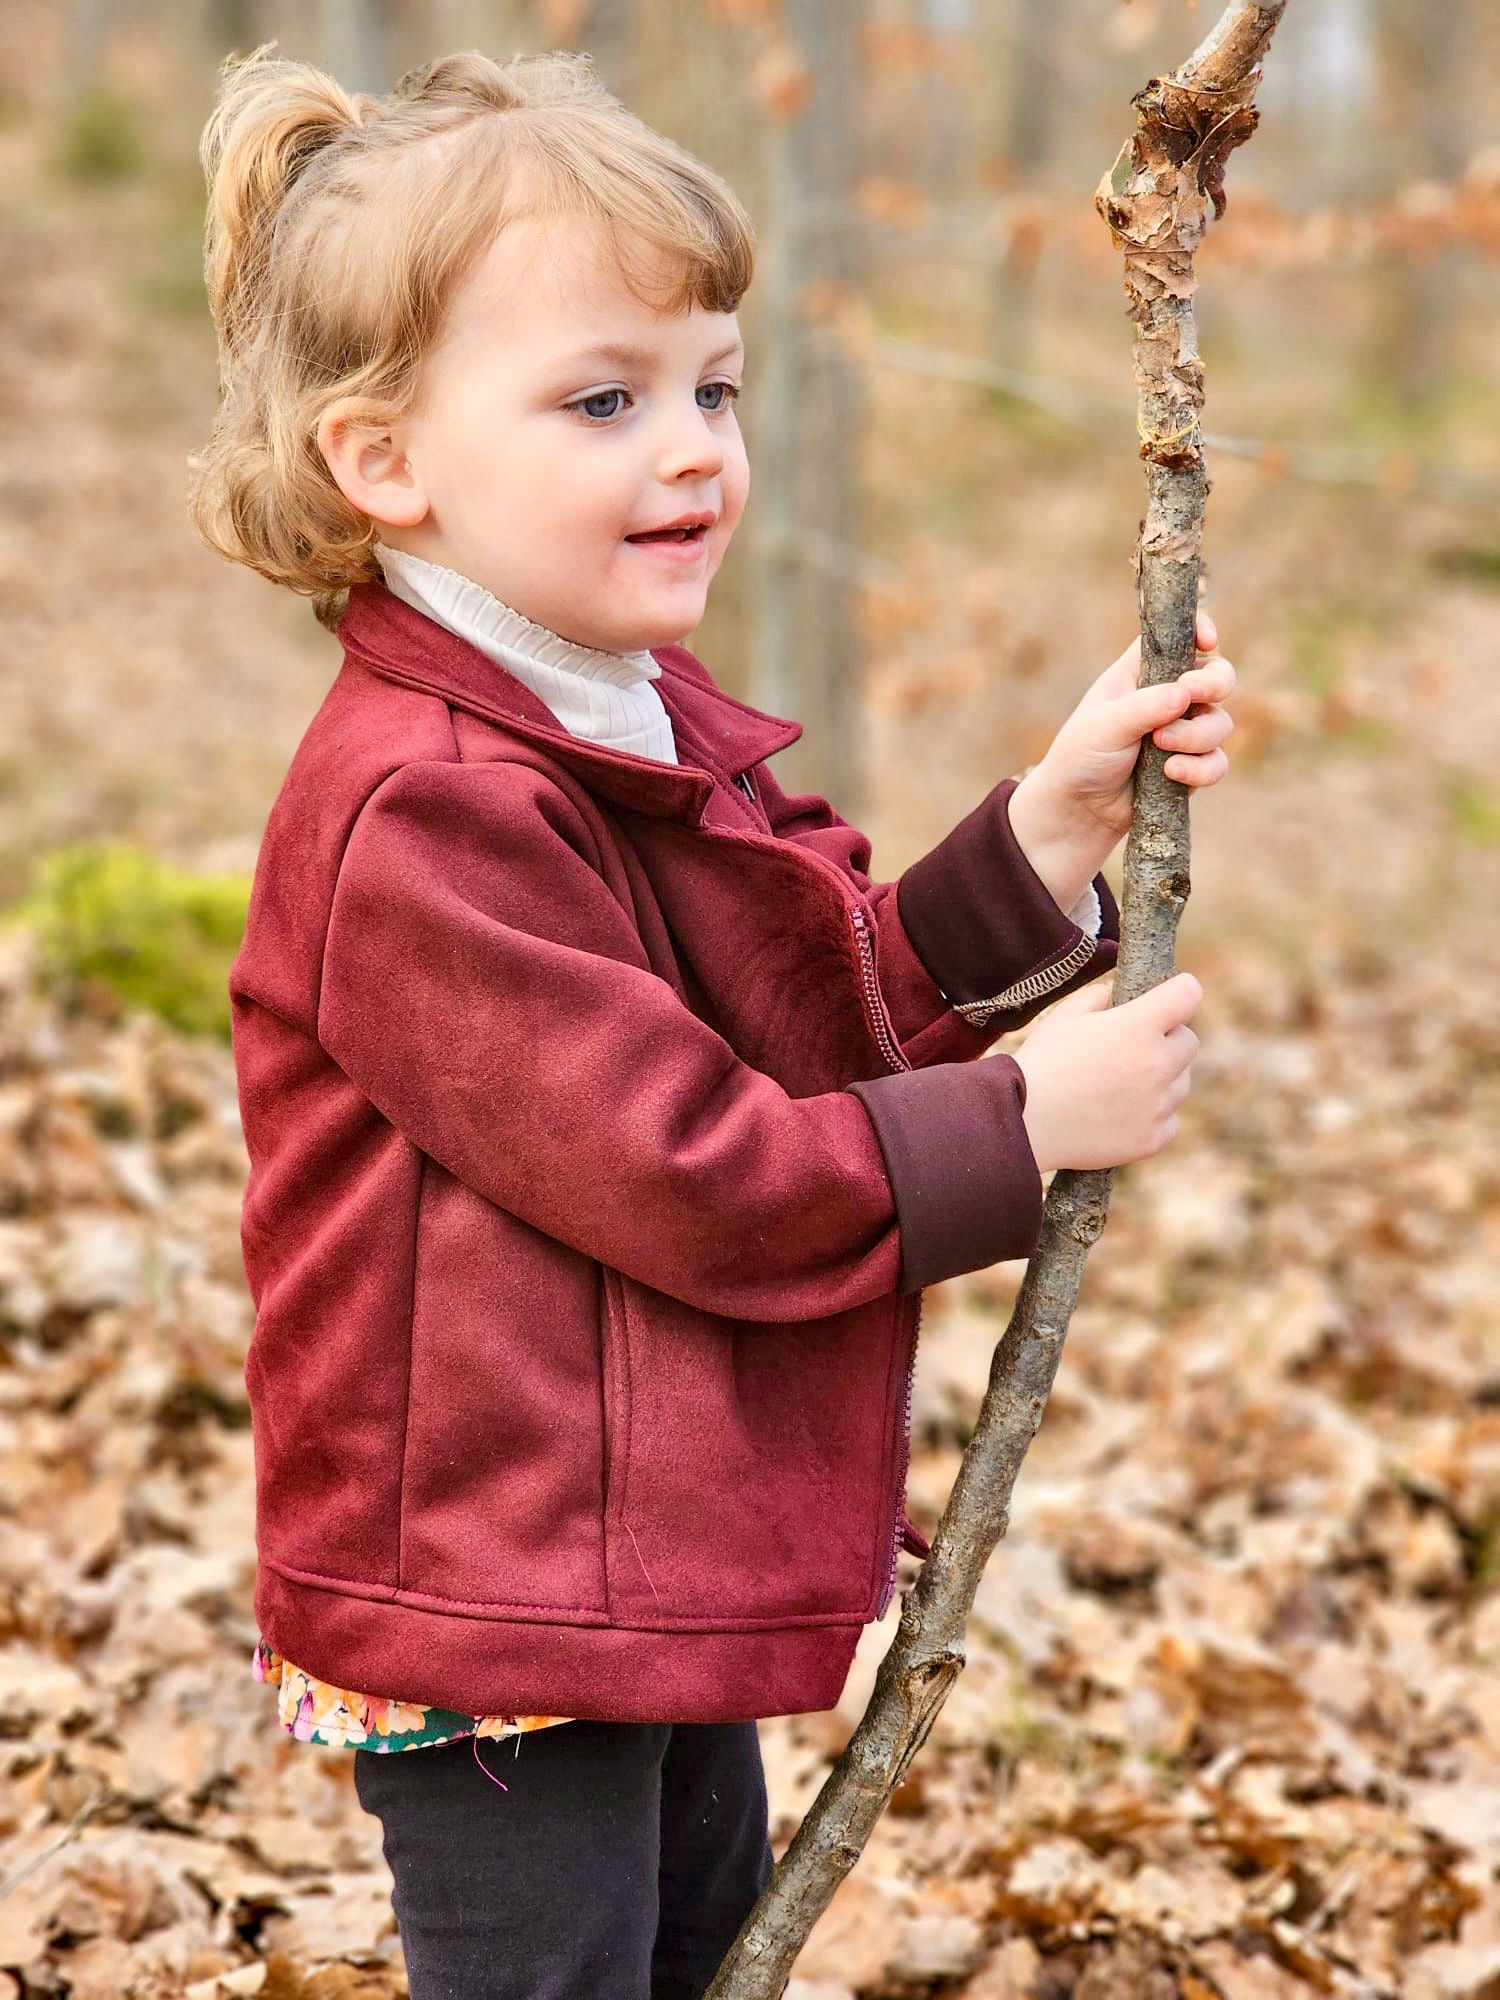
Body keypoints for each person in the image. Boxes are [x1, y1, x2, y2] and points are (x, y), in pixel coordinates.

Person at [188, 40, 1235, 2000]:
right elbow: (691, 1164)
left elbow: (802, 1001)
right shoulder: (422, 804)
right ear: (386, 460)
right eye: (603, 399)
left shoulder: (624, 718)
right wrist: (1018, 1127)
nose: (694, 447)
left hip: (635, 1542)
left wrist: (1052, 825)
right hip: (495, 1591)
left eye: (714, 387)